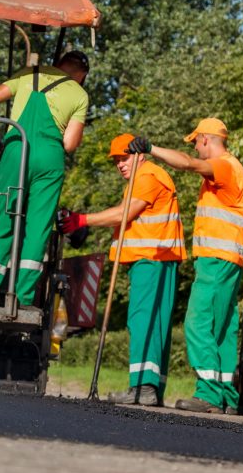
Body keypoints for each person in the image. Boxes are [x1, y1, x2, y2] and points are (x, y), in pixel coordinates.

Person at [128, 118, 243, 414]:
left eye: (196, 142)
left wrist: (151, 148)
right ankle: (227, 397)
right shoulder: (238, 171)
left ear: (207, 139)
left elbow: (186, 164)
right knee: (221, 328)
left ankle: (208, 394)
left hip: (215, 259)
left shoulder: (224, 165)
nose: (195, 148)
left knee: (198, 323)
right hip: (230, 259)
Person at [0, 51, 90, 306]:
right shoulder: (79, 94)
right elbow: (69, 144)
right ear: (81, 76)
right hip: (49, 157)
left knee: (4, 219)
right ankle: (23, 296)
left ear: (57, 65)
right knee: (38, 227)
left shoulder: (30, 75)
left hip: (17, 150)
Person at [58, 134, 186, 405]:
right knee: (155, 323)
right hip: (158, 259)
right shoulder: (146, 177)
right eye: (116, 160)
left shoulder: (148, 176)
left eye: (124, 158)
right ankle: (152, 389)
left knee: (142, 320)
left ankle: (142, 388)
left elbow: (123, 213)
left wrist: (82, 220)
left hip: (150, 260)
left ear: (140, 155)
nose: (119, 164)